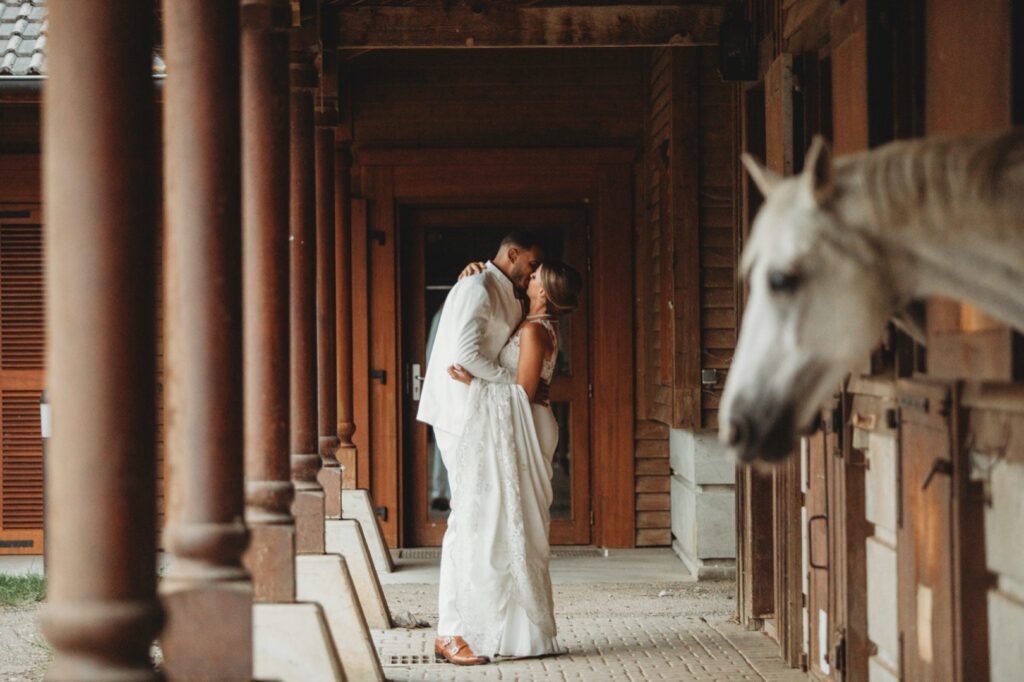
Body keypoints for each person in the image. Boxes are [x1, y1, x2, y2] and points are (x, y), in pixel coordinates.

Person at [416, 231, 544, 666]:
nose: (533, 273)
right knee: (464, 521)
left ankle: (473, 622)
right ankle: (449, 632)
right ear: (512, 254)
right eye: (530, 263)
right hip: (460, 415)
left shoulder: (503, 290)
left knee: (480, 522)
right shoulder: (478, 286)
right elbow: (466, 355)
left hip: (482, 412)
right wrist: (516, 388)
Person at [446, 260, 584, 663]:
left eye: (536, 274)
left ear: (543, 290)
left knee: (517, 525)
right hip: (526, 424)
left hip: (528, 424)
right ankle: (513, 633)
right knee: (511, 523)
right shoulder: (531, 323)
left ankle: (525, 635)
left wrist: (475, 384)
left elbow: (522, 394)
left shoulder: (534, 330)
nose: (530, 277)